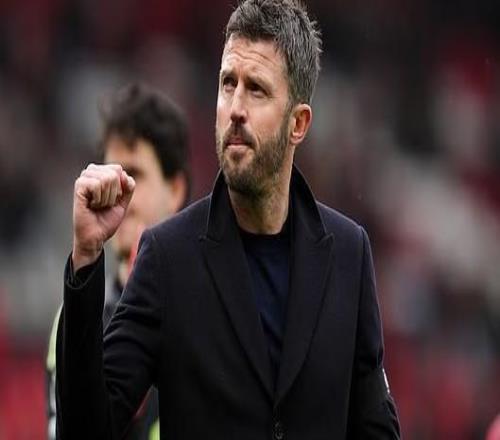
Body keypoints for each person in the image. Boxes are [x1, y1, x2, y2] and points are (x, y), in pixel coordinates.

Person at [56, 1, 401, 438]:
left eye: (256, 89)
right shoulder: (168, 258)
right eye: (227, 84)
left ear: (298, 123)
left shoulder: (348, 254)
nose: (235, 107)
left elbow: (375, 429)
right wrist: (86, 257)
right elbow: (86, 430)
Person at [46, 83, 190, 440]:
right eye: (112, 175)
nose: (120, 192)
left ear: (175, 190)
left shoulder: (207, 306)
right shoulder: (73, 320)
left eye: (135, 174)